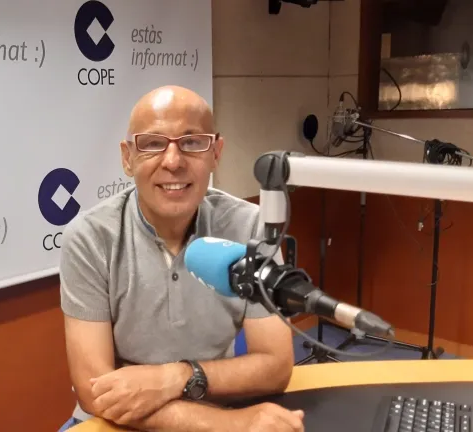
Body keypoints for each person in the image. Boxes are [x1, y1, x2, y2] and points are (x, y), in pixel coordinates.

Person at [58, 85, 303, 432]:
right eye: (152, 144)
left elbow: (276, 366)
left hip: (208, 398)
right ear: (128, 158)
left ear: (216, 153)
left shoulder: (251, 227)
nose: (173, 161)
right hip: (120, 421)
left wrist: (175, 377)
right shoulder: (90, 238)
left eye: (192, 142)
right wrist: (229, 425)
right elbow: (94, 391)